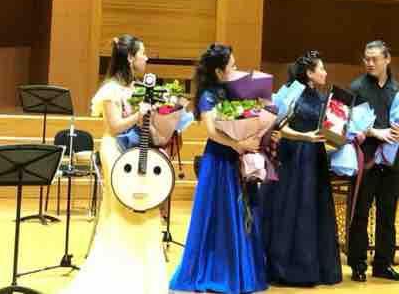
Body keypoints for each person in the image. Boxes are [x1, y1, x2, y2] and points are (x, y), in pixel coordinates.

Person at [61, 34, 168, 294]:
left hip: (134, 150)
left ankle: (141, 275)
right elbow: (115, 126)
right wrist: (139, 114)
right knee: (122, 207)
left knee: (143, 205)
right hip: (115, 150)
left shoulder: (135, 87)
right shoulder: (110, 89)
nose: (146, 58)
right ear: (130, 58)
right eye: (142, 53)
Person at [170, 44, 267, 294]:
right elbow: (212, 131)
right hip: (219, 160)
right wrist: (238, 144)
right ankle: (218, 272)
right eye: (232, 66)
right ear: (219, 71)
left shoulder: (231, 90)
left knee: (241, 213)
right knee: (220, 215)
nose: (236, 69)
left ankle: (240, 271)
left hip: (236, 157)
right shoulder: (208, 95)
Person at [261, 51, 342, 286]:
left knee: (313, 209)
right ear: (309, 73)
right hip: (294, 157)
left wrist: (339, 133)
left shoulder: (321, 96)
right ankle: (287, 269)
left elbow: (326, 128)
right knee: (293, 208)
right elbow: (280, 126)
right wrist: (305, 137)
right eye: (321, 68)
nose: (325, 72)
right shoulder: (292, 92)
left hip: (315, 157)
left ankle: (315, 268)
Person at [347, 40, 399, 283]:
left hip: (392, 160)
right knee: (360, 212)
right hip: (366, 158)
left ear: (387, 59)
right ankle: (358, 264)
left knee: (388, 213)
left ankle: (383, 264)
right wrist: (376, 132)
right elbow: (349, 122)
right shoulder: (357, 88)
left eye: (374, 59)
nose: (370, 63)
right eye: (367, 59)